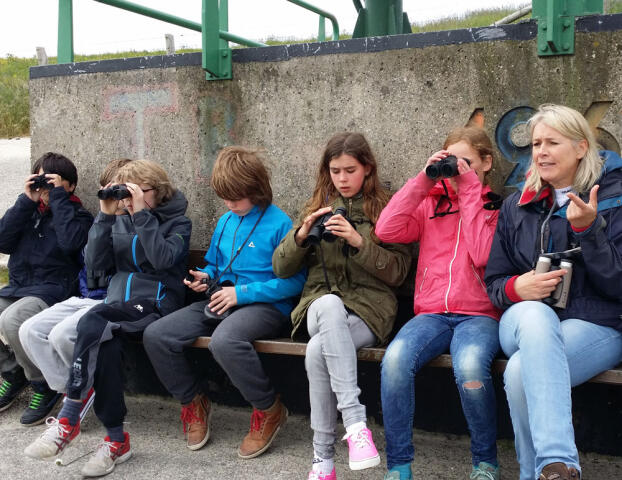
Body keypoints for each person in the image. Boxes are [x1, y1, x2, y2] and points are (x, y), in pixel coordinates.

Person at [24, 159, 191, 478]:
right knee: (107, 347)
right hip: (118, 306)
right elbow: (95, 265)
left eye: (135, 192)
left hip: (156, 303)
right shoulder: (120, 220)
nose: (127, 200)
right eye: (124, 193)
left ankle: (69, 418)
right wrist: (104, 215)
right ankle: (117, 440)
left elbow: (162, 259)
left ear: (156, 190)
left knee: (93, 320)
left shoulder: (179, 223)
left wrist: (141, 215)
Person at [484, 104, 622, 480]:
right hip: (523, 319)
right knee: (537, 314)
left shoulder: (614, 196)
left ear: (581, 147)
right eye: (536, 144)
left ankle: (542, 473)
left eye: (552, 143)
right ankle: (560, 459)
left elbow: (617, 284)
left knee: (518, 374)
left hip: (597, 322)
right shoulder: (516, 205)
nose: (541, 152)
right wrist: (517, 286)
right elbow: (495, 282)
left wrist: (589, 231)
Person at [143, 146, 305, 458]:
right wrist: (203, 276)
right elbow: (215, 265)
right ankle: (193, 401)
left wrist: (241, 294)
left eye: (237, 197)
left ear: (257, 188)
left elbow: (295, 282)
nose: (230, 204)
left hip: (266, 306)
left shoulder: (281, 224)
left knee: (225, 341)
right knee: (157, 335)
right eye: (225, 198)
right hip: (221, 299)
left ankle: (269, 409)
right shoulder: (226, 221)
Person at [272, 132, 411, 480]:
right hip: (317, 306)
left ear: (368, 168)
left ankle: (323, 461)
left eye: (350, 170)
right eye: (335, 171)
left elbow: (398, 272)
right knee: (330, 304)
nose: (342, 179)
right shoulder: (317, 205)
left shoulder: (387, 209)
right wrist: (301, 236)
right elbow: (280, 268)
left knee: (316, 351)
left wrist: (359, 242)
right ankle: (356, 424)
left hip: (369, 310)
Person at [375, 126, 502, 480]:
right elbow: (385, 230)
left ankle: (485, 463)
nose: (457, 169)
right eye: (451, 161)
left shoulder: (496, 207)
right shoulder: (430, 204)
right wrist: (423, 180)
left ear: (486, 163)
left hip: (479, 314)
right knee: (395, 360)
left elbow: (483, 255)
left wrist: (470, 189)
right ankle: (399, 466)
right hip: (432, 313)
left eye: (466, 162)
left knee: (470, 366)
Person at [19, 159, 132, 418]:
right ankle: (72, 391)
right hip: (85, 295)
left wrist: (129, 215)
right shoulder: (101, 221)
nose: (113, 196)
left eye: (119, 190)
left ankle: (77, 392)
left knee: (61, 335)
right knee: (29, 331)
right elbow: (89, 262)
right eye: (107, 189)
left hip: (114, 300)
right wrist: (25, 202)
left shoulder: (138, 221)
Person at [0, 152, 93, 425]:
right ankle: (12, 372)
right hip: (20, 287)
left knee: (12, 320)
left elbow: (71, 244)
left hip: (55, 290)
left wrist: (59, 199)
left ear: (70, 185)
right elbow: (3, 242)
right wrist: (25, 200)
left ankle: (42, 384)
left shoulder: (79, 216)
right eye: (41, 180)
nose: (45, 189)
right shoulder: (28, 212)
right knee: (10, 314)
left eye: (53, 181)